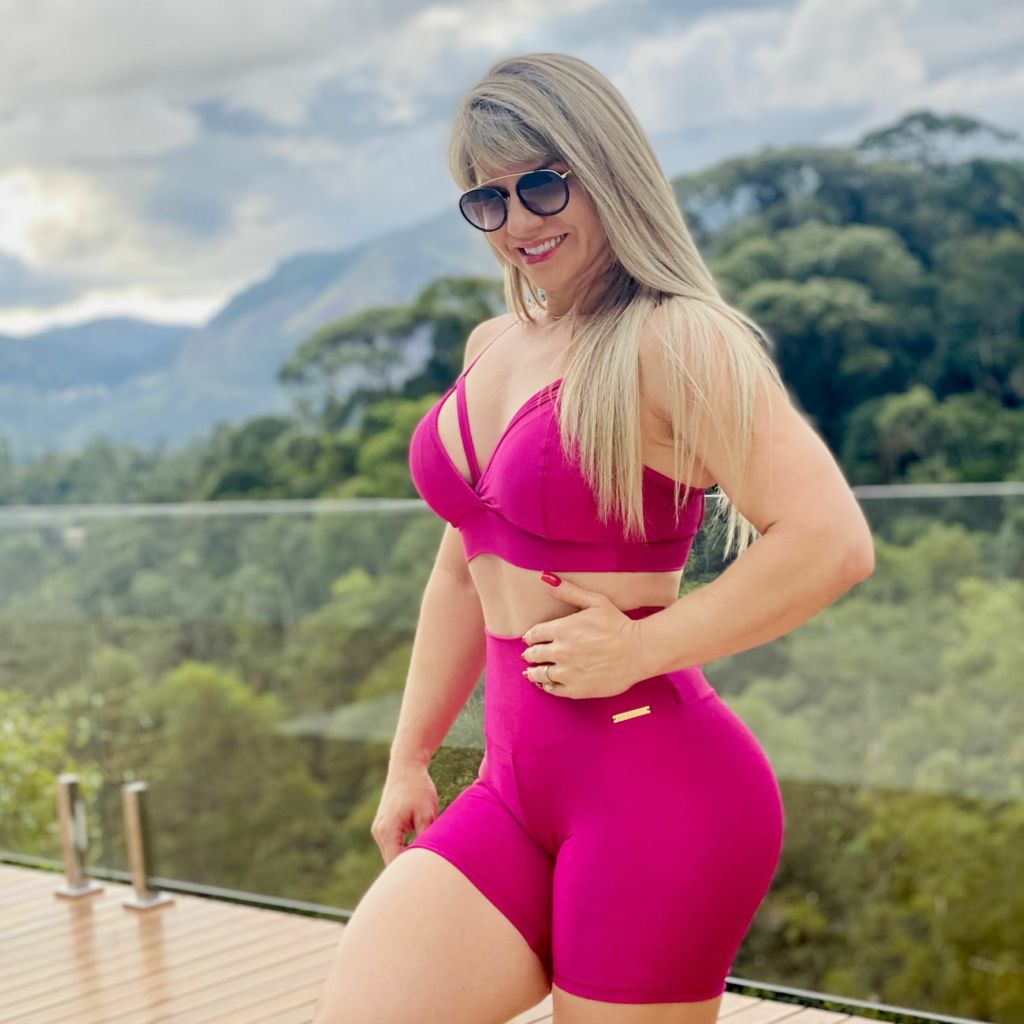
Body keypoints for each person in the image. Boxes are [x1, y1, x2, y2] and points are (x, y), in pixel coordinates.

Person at [312, 52, 875, 1024]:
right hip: (509, 790)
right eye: (488, 199)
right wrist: (410, 756)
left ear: (605, 168)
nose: (517, 221)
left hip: (657, 795)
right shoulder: (491, 345)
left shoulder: (675, 338)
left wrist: (642, 648)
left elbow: (830, 542)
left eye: (541, 184)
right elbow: (461, 572)